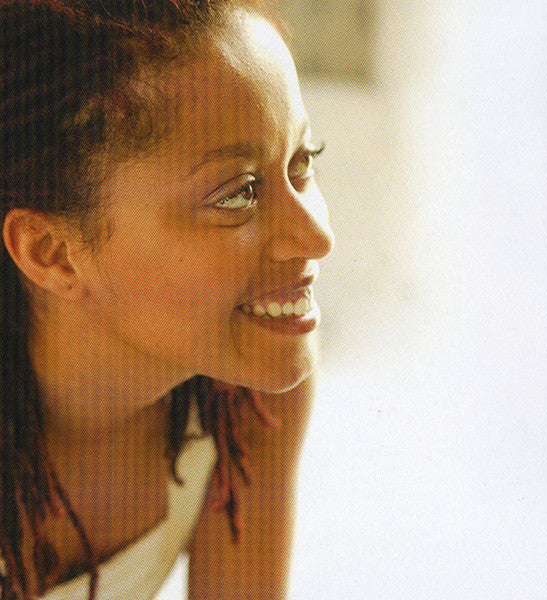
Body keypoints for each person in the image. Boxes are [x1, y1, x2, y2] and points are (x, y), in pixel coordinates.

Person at [0, 0, 334, 598]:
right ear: (51, 252)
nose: (316, 237)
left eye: (302, 163)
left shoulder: (249, 399)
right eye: (238, 194)